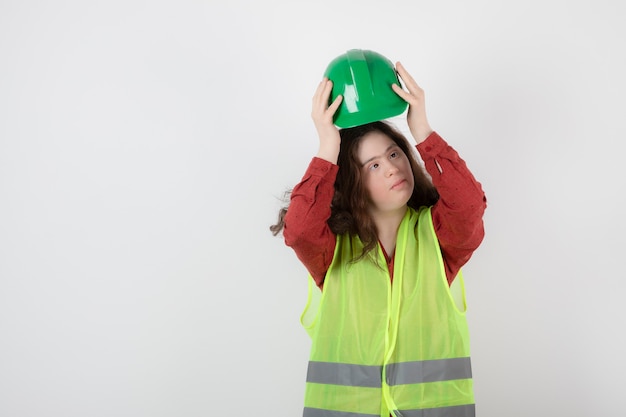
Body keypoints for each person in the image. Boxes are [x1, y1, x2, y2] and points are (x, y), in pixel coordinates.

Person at [270, 61, 487, 417]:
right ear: (352, 183)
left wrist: (423, 131)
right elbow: (300, 230)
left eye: (393, 153)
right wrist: (328, 145)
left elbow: (468, 208)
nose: (390, 167)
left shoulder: (438, 237)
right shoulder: (332, 249)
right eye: (372, 165)